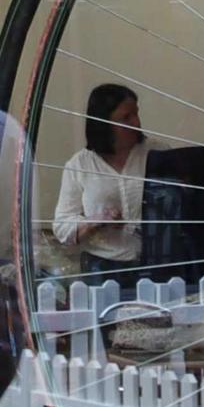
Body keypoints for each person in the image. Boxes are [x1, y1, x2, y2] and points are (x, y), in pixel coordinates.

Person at [46, 81, 145, 281]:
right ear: (104, 123)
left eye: (136, 113)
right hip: (102, 269)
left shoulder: (158, 153)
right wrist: (96, 221)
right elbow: (62, 226)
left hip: (156, 263)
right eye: (126, 117)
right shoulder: (79, 165)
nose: (136, 122)